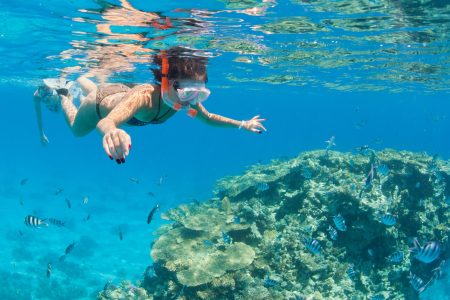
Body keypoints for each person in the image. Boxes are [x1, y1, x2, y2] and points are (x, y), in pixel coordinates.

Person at [34, 47, 267, 164]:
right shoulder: (145, 96)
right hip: (99, 105)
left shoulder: (184, 101)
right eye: (188, 92)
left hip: (118, 94)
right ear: (167, 83)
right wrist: (113, 131)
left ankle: (83, 79)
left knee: (96, 89)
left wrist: (242, 124)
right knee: (76, 130)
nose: (192, 99)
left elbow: (208, 118)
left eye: (200, 93)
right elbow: (107, 120)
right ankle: (64, 92)